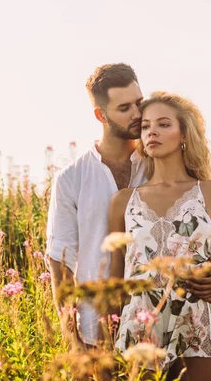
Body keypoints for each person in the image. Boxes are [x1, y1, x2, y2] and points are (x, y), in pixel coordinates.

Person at [109, 91, 211, 380]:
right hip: (140, 324)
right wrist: (108, 336)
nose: (152, 132)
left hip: (195, 317)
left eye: (164, 125)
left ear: (184, 134)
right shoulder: (123, 201)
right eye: (146, 126)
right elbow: (117, 280)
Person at [45, 63, 146, 349]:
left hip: (154, 324)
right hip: (95, 330)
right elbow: (60, 264)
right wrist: (73, 342)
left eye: (140, 103)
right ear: (101, 115)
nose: (137, 114)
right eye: (124, 108)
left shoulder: (159, 167)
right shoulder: (71, 179)